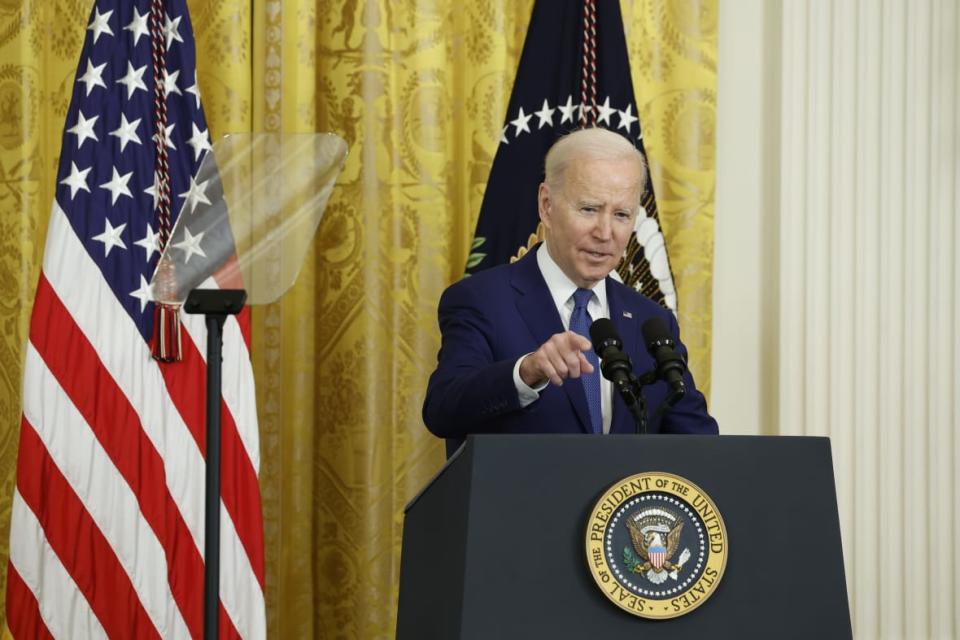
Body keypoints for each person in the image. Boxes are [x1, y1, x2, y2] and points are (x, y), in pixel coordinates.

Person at [423, 127, 718, 457]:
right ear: (547, 205)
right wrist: (526, 372)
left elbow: (699, 445)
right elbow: (442, 410)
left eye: (621, 214)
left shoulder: (653, 321)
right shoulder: (481, 300)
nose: (605, 233)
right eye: (589, 209)